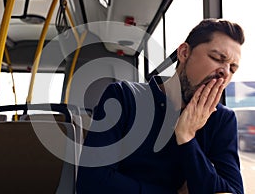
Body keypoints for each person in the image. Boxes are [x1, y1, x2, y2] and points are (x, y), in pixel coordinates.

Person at [76, 18, 245, 194]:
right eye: (217, 58)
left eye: (232, 68)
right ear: (184, 53)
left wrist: (187, 138)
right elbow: (90, 184)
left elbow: (233, 192)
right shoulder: (124, 97)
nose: (225, 72)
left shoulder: (222, 119)